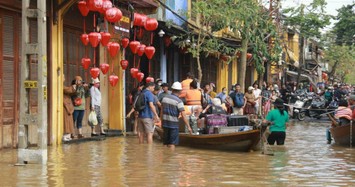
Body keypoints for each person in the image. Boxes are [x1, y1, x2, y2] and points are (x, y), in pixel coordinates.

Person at [161, 82, 192, 149]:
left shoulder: (164, 98)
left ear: (172, 89)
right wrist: (188, 126)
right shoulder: (179, 101)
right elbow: (183, 115)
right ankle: (171, 158)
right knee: (172, 144)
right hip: (173, 125)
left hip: (165, 124)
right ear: (180, 91)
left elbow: (161, 112)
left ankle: (164, 157)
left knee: (165, 143)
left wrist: (161, 122)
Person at [63, 75, 75, 141]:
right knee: (66, 121)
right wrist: (74, 87)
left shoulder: (64, 87)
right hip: (65, 106)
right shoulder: (61, 86)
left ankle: (68, 135)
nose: (64, 78)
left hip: (69, 105)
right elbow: (69, 90)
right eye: (63, 77)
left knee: (69, 121)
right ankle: (65, 135)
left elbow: (71, 92)